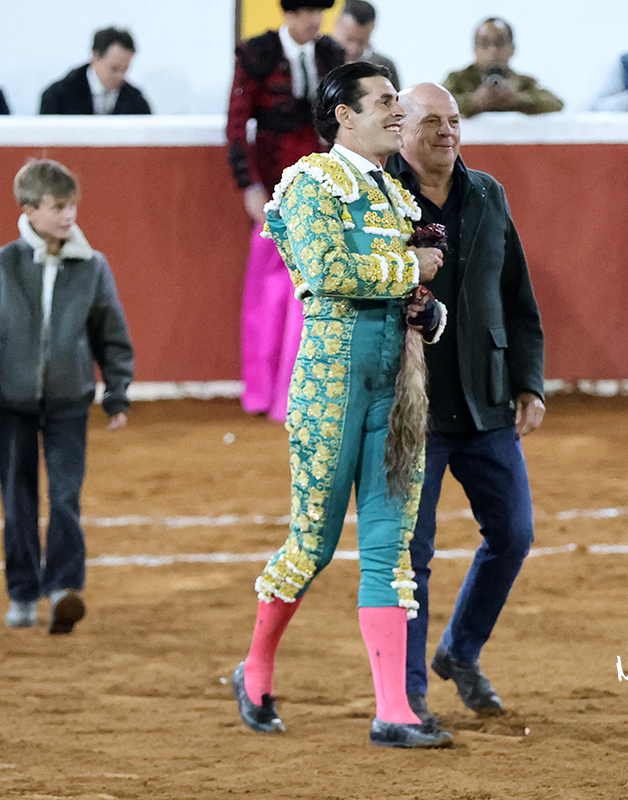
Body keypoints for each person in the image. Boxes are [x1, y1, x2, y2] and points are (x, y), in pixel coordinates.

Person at [230, 61, 453, 750]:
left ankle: (394, 710)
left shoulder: (395, 194)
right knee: (314, 542)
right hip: (332, 382)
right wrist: (407, 272)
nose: (397, 112)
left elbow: (402, 291)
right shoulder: (307, 182)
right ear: (344, 116)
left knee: (390, 548)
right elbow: (326, 272)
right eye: (384, 102)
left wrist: (427, 309)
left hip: (397, 384)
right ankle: (255, 667)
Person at [392, 82, 545, 725]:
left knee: (513, 535)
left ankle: (460, 650)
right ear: (401, 129)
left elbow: (518, 297)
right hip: (414, 411)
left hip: (485, 403)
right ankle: (407, 692)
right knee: (412, 559)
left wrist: (529, 381)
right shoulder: (377, 199)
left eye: (453, 121)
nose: (447, 133)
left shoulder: (488, 194)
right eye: (432, 123)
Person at [0, 159, 134, 634]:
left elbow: (111, 333)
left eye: (72, 206)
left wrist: (117, 393)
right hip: (11, 404)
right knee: (19, 501)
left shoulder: (92, 267)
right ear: (29, 210)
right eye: (57, 207)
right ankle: (23, 592)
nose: (69, 216)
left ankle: (64, 589)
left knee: (66, 497)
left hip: (70, 400)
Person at [227, 0, 345, 422]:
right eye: (306, 11)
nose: (314, 20)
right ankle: (263, 392)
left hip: (321, 185)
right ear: (288, 13)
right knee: (270, 293)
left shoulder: (332, 54)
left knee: (313, 284)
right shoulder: (256, 54)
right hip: (274, 188)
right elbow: (237, 127)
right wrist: (250, 186)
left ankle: (299, 390)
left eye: (319, 11)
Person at [443, 18, 563, 117]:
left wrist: (518, 101)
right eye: (485, 44)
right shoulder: (457, 80)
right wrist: (473, 102)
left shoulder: (525, 82)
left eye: (499, 43)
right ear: (475, 49)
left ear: (512, 48)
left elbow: (556, 104)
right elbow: (435, 107)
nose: (493, 50)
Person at [38, 27, 150, 115]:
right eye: (115, 69)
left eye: (125, 70)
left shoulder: (136, 101)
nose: (120, 76)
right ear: (95, 57)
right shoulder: (58, 97)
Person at [330, 0, 401, 90]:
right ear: (337, 22)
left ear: (373, 28)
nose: (353, 49)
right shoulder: (317, 58)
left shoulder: (384, 66)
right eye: (349, 40)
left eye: (361, 42)